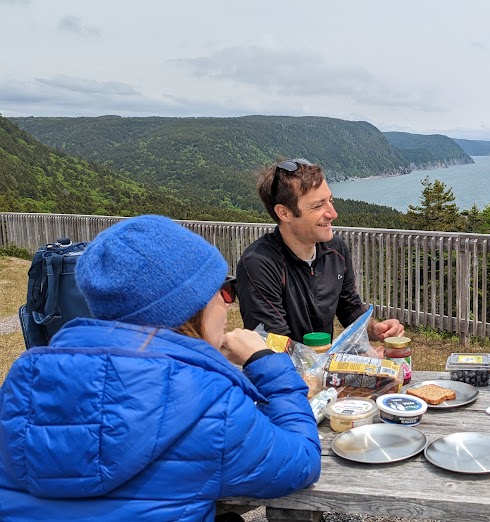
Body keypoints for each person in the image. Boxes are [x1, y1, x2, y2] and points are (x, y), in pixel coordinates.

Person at [0, 215, 322, 521]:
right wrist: (264, 362)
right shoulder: (211, 406)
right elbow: (301, 460)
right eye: (224, 291)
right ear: (190, 310)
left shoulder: (22, 384)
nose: (229, 303)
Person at [236, 158, 404, 344]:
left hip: (322, 367)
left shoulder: (336, 250)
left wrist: (373, 328)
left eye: (330, 201)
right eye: (318, 205)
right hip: (283, 371)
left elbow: (349, 307)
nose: (333, 214)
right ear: (284, 213)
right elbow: (274, 344)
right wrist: (342, 361)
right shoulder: (259, 263)